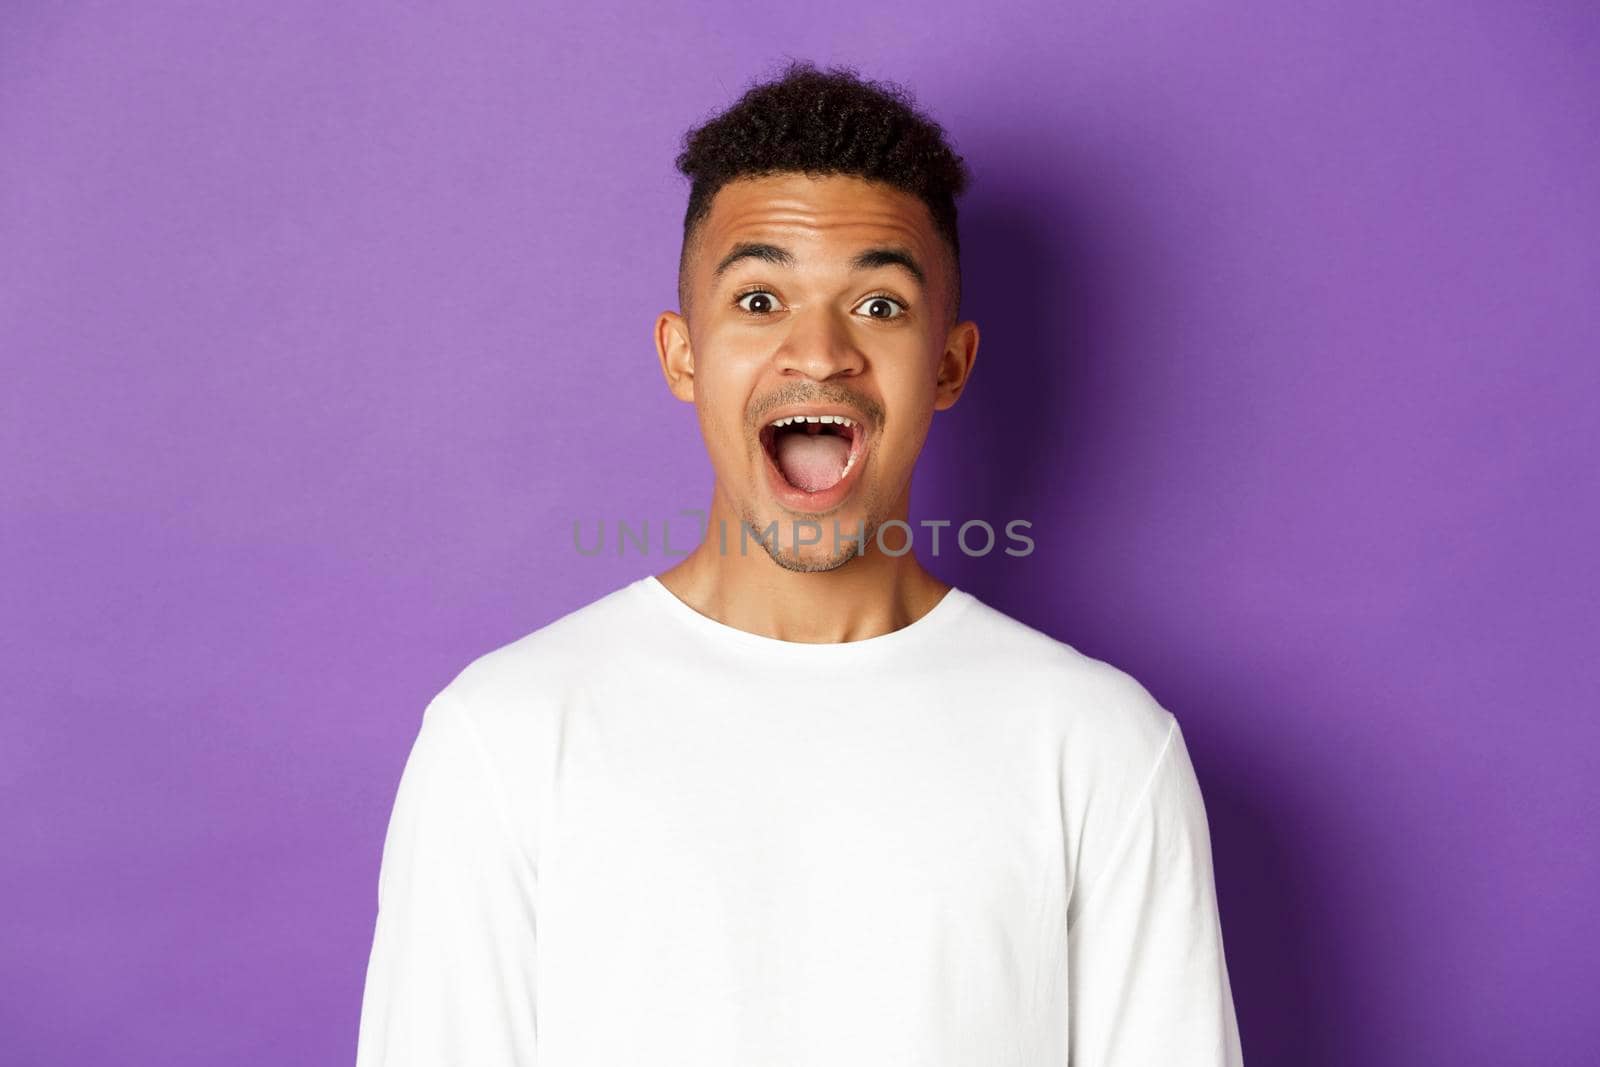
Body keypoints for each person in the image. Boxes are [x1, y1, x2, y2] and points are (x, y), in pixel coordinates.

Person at [355, 59, 1243, 1066]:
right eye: (760, 298)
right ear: (683, 355)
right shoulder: (504, 735)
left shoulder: (1100, 747)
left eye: (877, 306)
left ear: (948, 364)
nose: (819, 353)